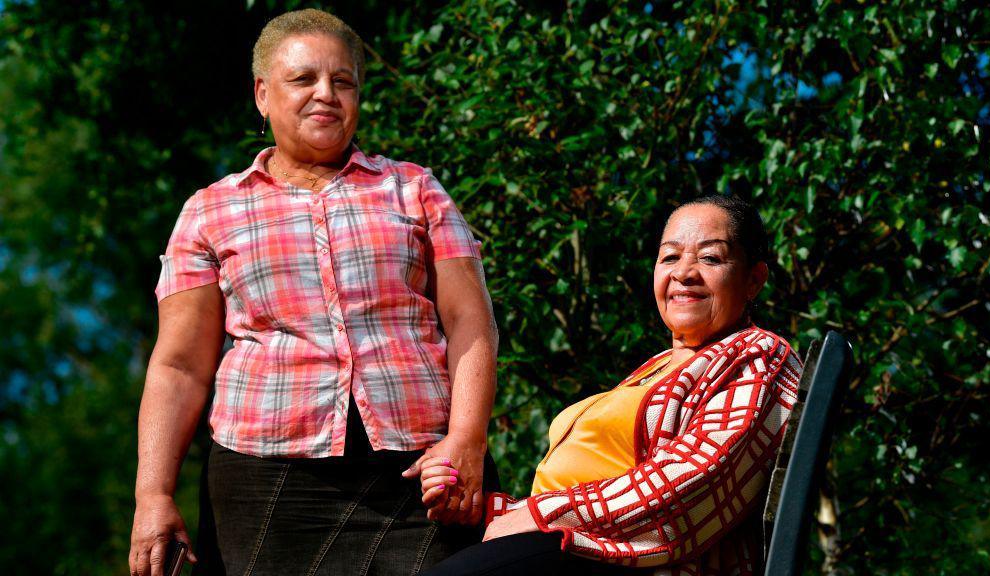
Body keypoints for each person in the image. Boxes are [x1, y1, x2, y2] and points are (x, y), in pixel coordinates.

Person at [128, 9, 498, 576]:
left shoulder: (416, 189)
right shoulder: (209, 211)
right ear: (262, 94)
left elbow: (471, 322)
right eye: (303, 79)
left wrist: (467, 440)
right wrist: (153, 495)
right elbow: (179, 365)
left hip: (420, 478)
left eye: (342, 81)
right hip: (264, 487)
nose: (326, 94)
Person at [414, 195, 803, 575]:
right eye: (670, 256)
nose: (684, 272)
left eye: (710, 257)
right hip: (560, 544)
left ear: (754, 279)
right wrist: (475, 502)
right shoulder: (654, 368)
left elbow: (692, 482)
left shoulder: (759, 353)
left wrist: (537, 515)